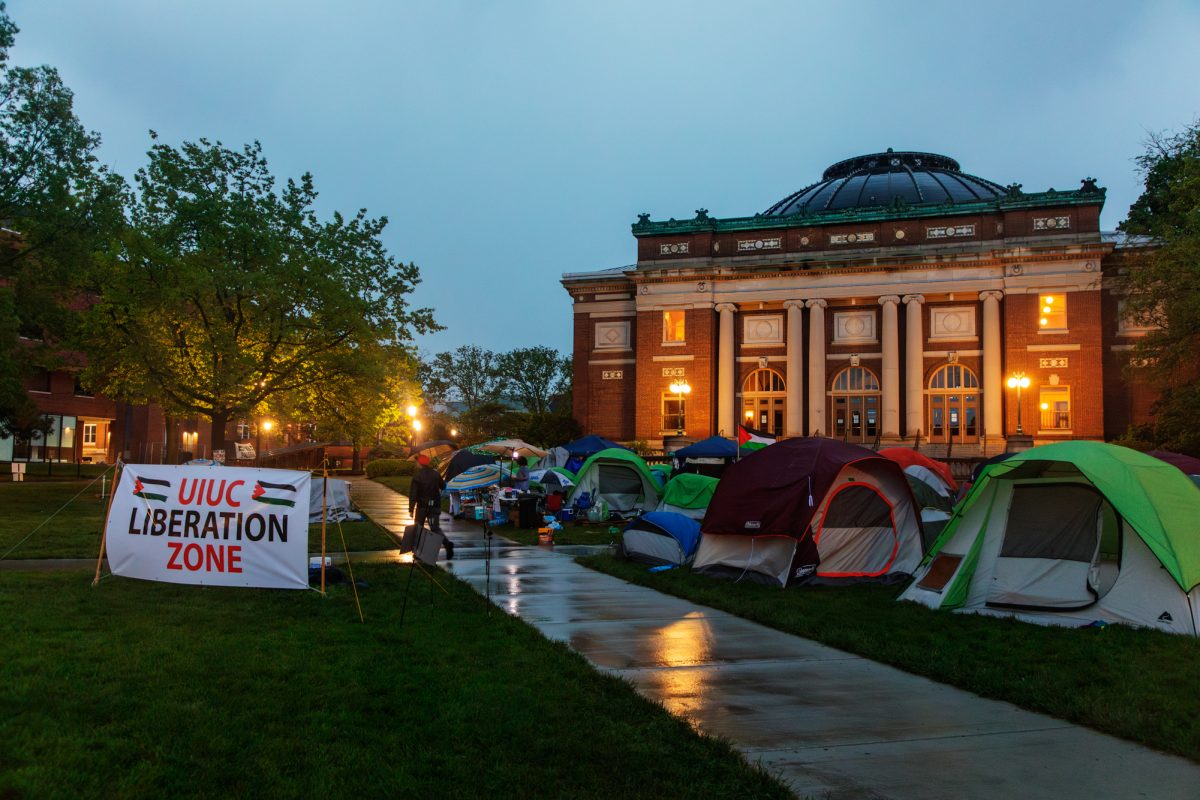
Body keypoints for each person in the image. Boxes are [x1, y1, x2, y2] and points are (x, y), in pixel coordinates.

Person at [410, 454, 453, 559]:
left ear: (420, 463)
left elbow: (413, 494)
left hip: (422, 508)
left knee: (418, 528)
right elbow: (443, 486)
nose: (416, 464)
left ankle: (418, 552)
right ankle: (447, 544)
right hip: (434, 507)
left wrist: (411, 509)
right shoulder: (435, 474)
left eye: (417, 462)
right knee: (435, 528)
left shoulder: (416, 477)